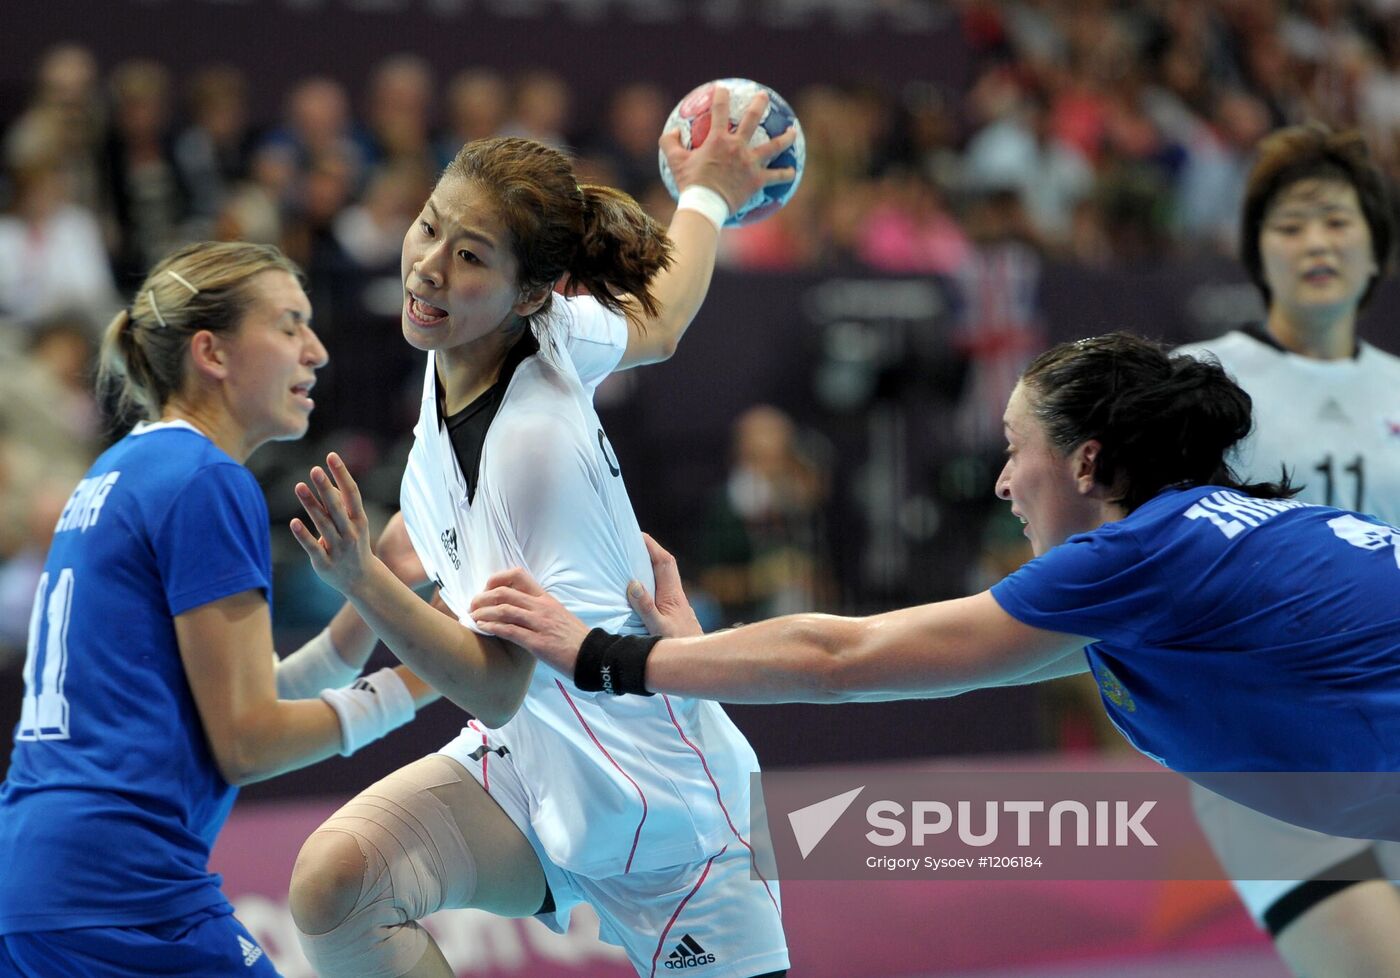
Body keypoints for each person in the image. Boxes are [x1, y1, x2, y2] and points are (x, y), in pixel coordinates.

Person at [469, 330, 1400, 845]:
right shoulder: (1192, 568)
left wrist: (608, 656)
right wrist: (686, 652)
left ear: (1085, 462)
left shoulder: (1144, 554)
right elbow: (920, 664)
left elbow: (845, 658)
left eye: (1013, 449)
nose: (1001, 484)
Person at [286, 88, 796, 978]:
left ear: (529, 292)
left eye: (469, 254)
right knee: (339, 885)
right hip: (532, 773)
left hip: (675, 824)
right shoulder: (530, 335)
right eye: (429, 227)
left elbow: (494, 687)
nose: (429, 268)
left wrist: (361, 576)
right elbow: (665, 318)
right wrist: (709, 192)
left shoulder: (532, 452)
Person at [0, 241, 436, 978]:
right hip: (125, 894)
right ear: (213, 352)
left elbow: (241, 697)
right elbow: (249, 740)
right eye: (290, 324)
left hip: (41, 881)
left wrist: (374, 593)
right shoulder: (206, 479)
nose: (318, 350)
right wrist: (421, 684)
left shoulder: (121, 469)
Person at [1175, 124, 1400, 978]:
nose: (1317, 242)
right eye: (1292, 223)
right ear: (1255, 250)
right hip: (1266, 748)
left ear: (1376, 246)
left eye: (1338, 221)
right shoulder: (1196, 384)